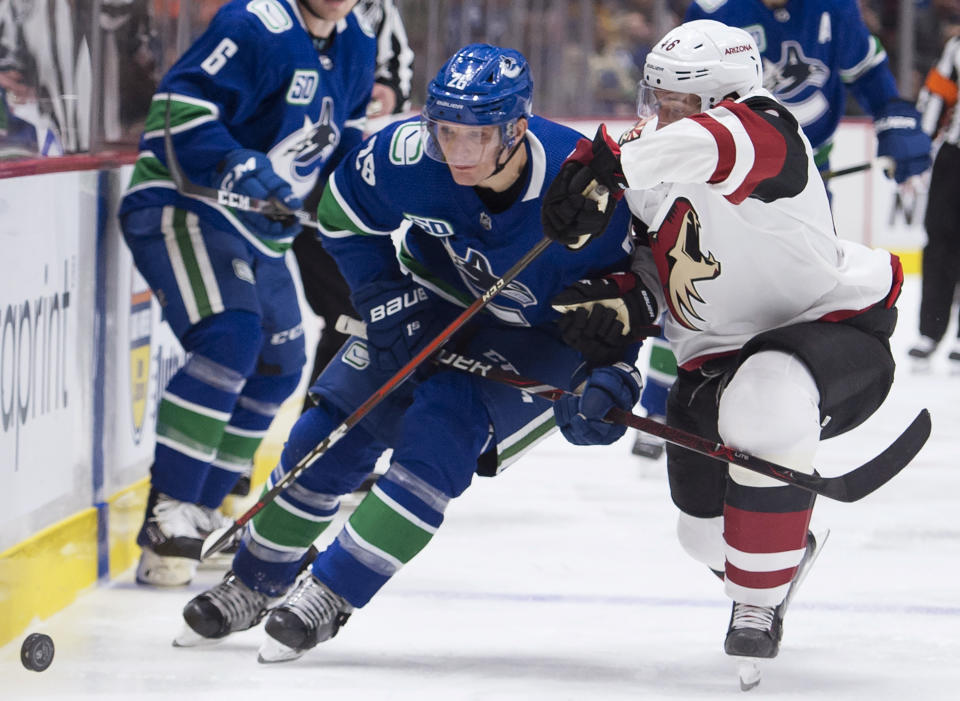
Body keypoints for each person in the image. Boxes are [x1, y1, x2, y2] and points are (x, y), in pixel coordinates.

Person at [172, 43, 637, 663]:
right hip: (432, 292)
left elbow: (640, 295)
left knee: (439, 438)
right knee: (335, 425)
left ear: (517, 128)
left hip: (542, 333)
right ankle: (253, 580)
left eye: (476, 137)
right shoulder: (409, 157)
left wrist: (614, 375)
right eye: (445, 132)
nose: (457, 153)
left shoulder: (586, 189)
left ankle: (330, 594)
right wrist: (384, 298)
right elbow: (339, 213)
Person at [541, 19, 902, 677]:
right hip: (714, 362)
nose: (668, 114)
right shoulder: (648, 161)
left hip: (835, 332)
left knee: (766, 396)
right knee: (701, 531)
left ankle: (757, 608)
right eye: (661, 99)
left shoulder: (765, 129)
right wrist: (622, 305)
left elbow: (710, 142)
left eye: (687, 100)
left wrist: (612, 161)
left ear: (729, 96)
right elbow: (660, 271)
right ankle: (783, 554)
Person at [117, 0, 376, 587]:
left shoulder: (358, 39)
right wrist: (233, 162)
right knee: (230, 338)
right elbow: (176, 107)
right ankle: (169, 511)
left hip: (261, 230)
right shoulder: (255, 23)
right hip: (184, 205)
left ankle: (203, 514)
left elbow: (343, 136)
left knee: (279, 364)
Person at [630, 0, 933, 460]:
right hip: (711, 178)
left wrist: (894, 113)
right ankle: (659, 406)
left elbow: (867, 72)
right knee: (693, 280)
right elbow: (674, 97)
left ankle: (779, 411)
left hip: (801, 179)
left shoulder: (835, 9)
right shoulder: (716, 10)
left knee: (788, 296)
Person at [290, 0, 415, 425]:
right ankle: (229, 455)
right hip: (255, 191)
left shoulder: (369, 20)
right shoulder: (262, 17)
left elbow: (396, 76)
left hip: (325, 190)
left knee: (353, 316)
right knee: (255, 325)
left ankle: (321, 438)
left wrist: (384, 92)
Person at [908, 34, 960, 367]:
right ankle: (931, 332)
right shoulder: (956, 47)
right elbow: (937, 95)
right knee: (939, 240)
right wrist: (917, 146)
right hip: (954, 157)